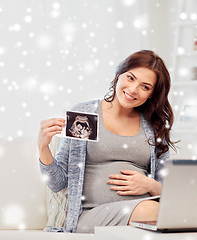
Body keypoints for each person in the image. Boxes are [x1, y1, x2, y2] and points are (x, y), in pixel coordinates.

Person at [38, 50, 177, 233]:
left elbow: (169, 190)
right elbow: (58, 183)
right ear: (118, 75)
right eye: (130, 78)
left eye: (145, 87)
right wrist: (43, 147)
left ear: (152, 94)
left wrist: (150, 185)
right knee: (160, 212)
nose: (133, 89)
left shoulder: (153, 126)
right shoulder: (86, 115)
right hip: (92, 215)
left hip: (144, 217)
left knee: (166, 212)